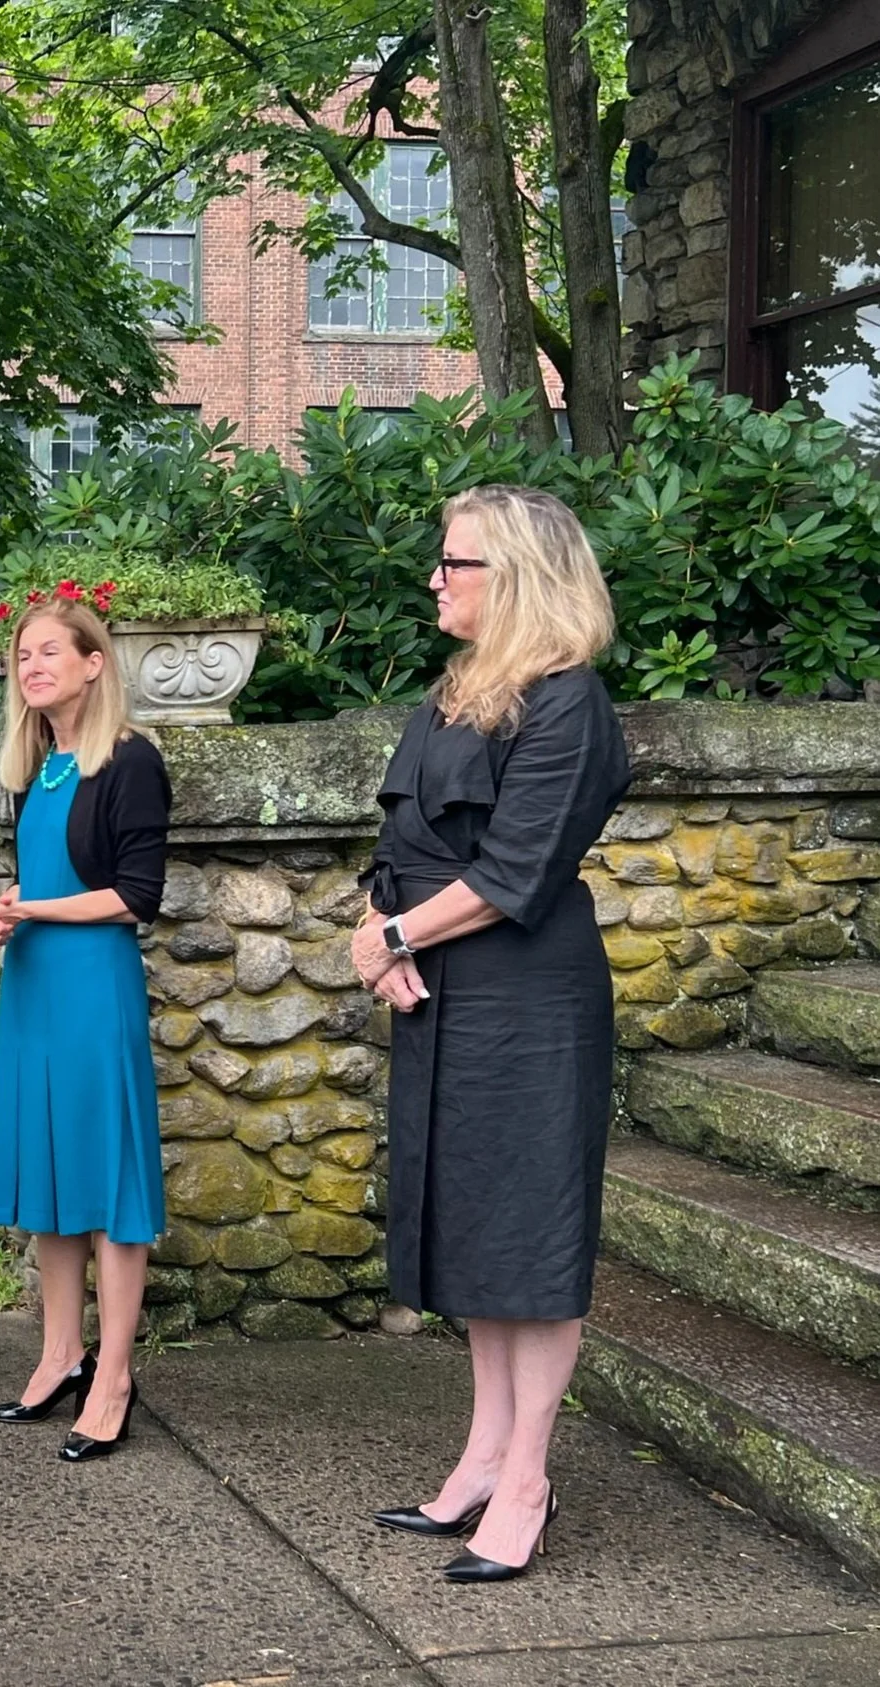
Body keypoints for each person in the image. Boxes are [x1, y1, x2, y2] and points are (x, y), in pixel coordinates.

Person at [349, 484, 630, 1582]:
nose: (436, 577)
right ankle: (479, 1455)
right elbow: (401, 838)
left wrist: (394, 937)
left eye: (455, 562)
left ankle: (527, 1479)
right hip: (444, 990)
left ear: (515, 577)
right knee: (470, 1228)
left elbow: (517, 871)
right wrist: (385, 932)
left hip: (530, 1003)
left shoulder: (570, 704)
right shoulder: (457, 694)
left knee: (530, 1235)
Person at [0, 596, 171, 1463]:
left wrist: (31, 907)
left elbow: (137, 895)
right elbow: (39, 886)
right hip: (36, 985)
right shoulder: (39, 767)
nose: (33, 664)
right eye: (23, 655)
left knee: (109, 1186)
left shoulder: (130, 761)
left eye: (51, 650)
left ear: (95, 662)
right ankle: (60, 1355)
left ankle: (116, 1375)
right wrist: (1, 921)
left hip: (93, 990)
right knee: (50, 1177)